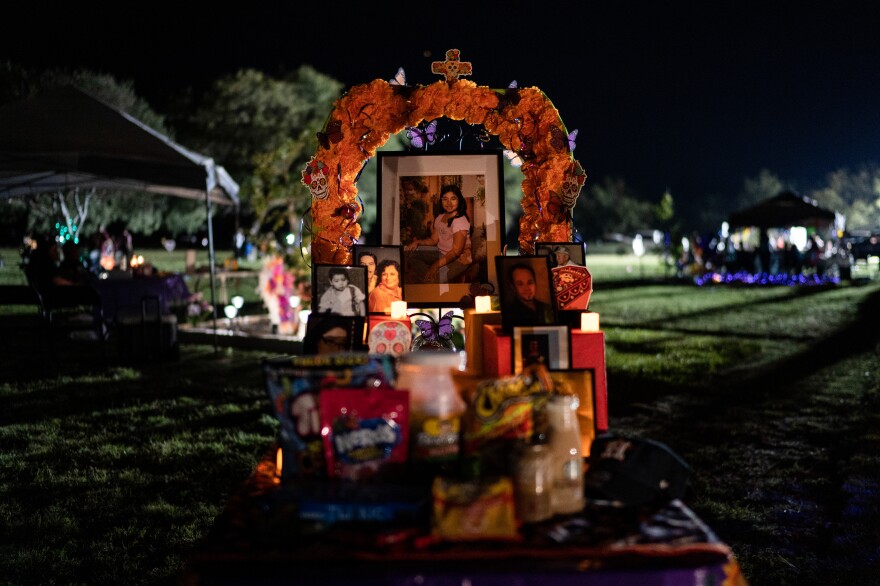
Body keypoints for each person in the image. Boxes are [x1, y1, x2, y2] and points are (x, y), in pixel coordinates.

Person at [404, 184, 472, 283]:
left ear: (459, 200)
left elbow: (455, 252)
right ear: (441, 200)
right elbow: (433, 240)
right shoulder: (440, 217)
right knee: (410, 254)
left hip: (460, 259)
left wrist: (435, 266)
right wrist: (418, 242)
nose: (449, 203)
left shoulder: (460, 221)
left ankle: (429, 276)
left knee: (435, 279)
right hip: (441, 253)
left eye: (453, 199)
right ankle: (427, 275)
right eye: (445, 199)